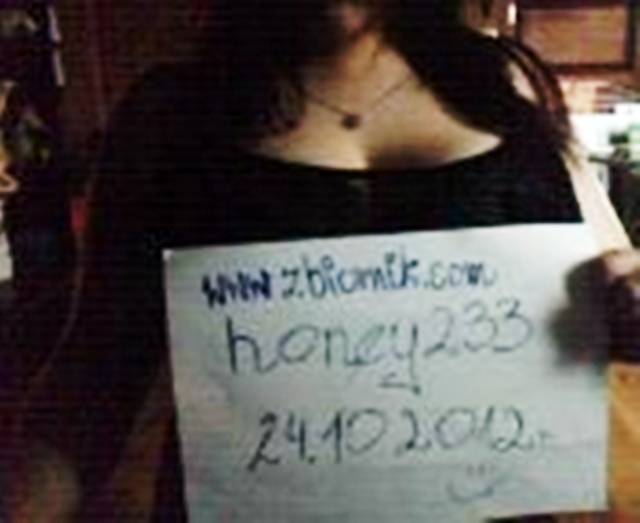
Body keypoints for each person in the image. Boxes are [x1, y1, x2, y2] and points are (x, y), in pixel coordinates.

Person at [10, 0, 640, 521]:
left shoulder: (505, 81)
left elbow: (612, 271)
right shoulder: (170, 114)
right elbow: (95, 373)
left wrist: (627, 299)